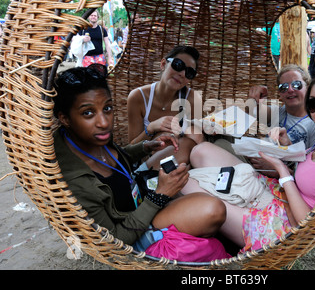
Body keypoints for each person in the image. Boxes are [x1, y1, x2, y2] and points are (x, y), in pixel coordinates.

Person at [53, 64, 226, 256]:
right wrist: (159, 196)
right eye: (88, 113)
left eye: (107, 108)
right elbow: (115, 240)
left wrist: (145, 147)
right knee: (213, 209)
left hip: (141, 193)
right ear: (65, 118)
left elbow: (115, 158)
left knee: (179, 145)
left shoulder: (89, 138)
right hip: (133, 229)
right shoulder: (76, 182)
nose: (104, 122)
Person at [183, 69, 315, 252]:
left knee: (184, 182)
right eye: (313, 104)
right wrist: (286, 149)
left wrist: (282, 170)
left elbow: (309, 224)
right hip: (276, 192)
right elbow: (310, 177)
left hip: (280, 225)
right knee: (201, 151)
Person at [127, 45, 204, 170]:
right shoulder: (138, 97)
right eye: (178, 65)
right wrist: (151, 128)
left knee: (190, 138)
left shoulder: (192, 98)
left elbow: (197, 142)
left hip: (182, 163)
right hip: (149, 162)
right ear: (163, 64)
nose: (182, 74)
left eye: (189, 72)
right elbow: (130, 150)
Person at [245, 64, 315, 175]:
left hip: (285, 182)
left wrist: (277, 169)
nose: (290, 90)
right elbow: (250, 111)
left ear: (308, 87)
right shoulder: (279, 112)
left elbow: (311, 175)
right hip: (256, 167)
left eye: (297, 85)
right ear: (280, 93)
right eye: (284, 87)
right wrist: (255, 97)